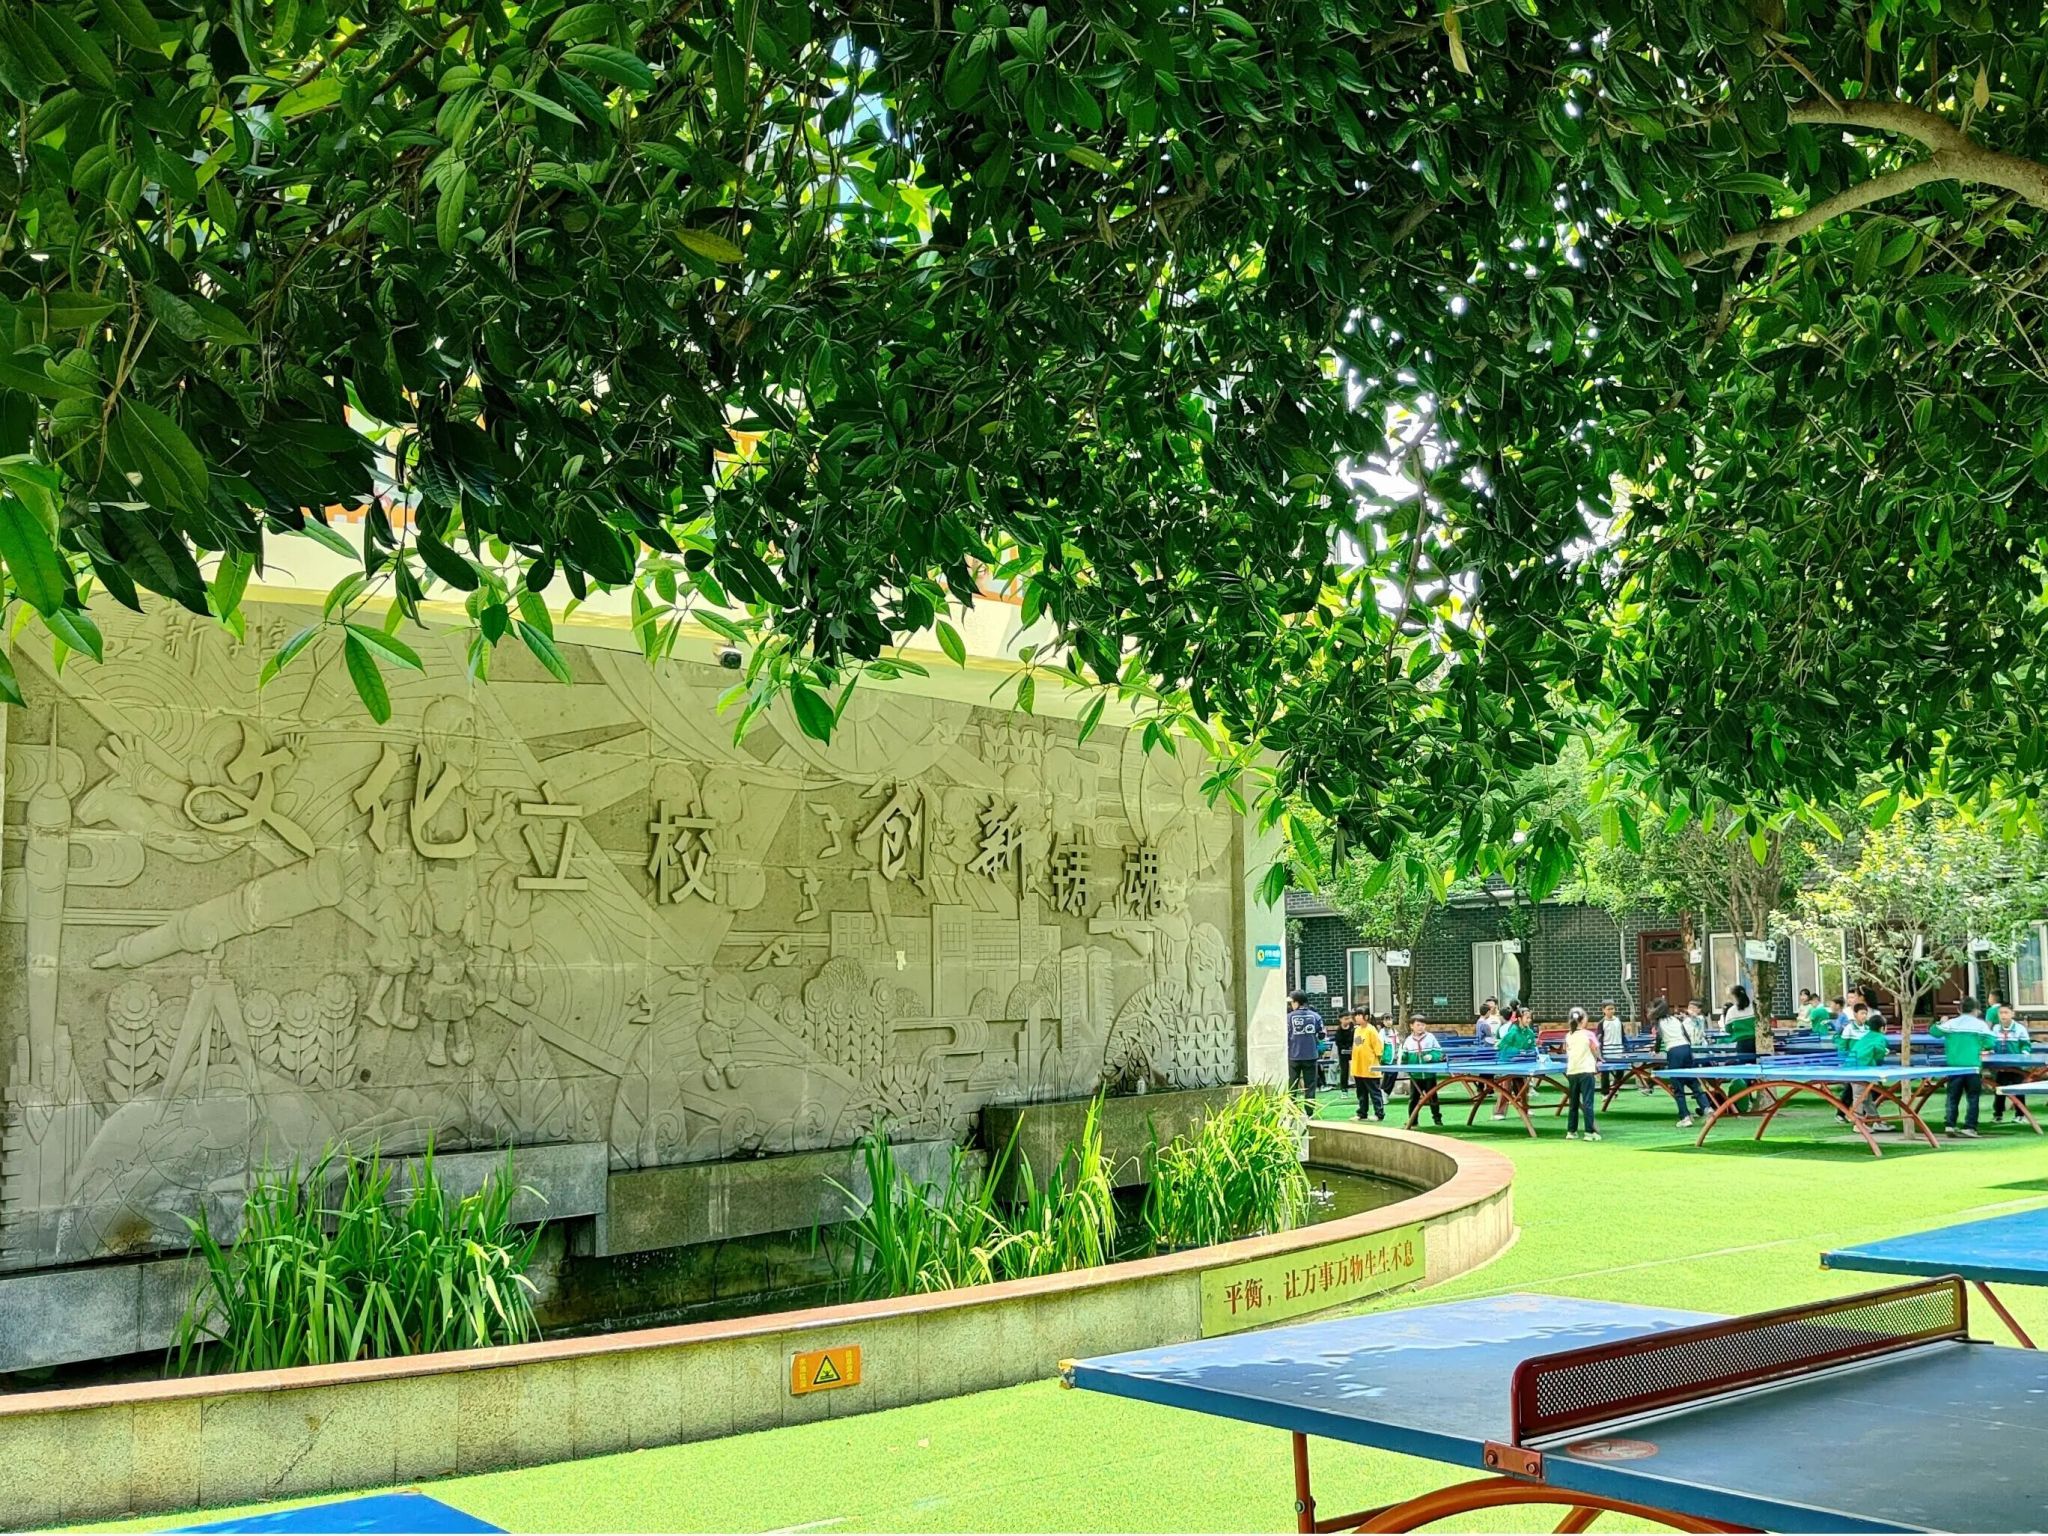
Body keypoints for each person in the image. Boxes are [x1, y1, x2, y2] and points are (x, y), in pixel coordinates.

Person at [1931, 996, 1996, 1138]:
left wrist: (1940, 1022)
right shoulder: (1980, 1025)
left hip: (1954, 1067)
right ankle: (1970, 1127)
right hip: (1972, 1067)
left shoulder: (1951, 1023)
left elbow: (1934, 1032)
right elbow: (1991, 1042)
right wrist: (1981, 1046)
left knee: (1952, 1097)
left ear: (1959, 1009)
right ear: (1976, 1010)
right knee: (1973, 1097)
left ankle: (1950, 1124)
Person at [1657, 999, 1712, 1127]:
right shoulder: (1676, 1020)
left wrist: (1655, 1051)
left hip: (1674, 1051)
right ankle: (1707, 1108)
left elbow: (1659, 1039)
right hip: (1686, 1048)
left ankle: (1685, 1117)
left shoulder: (1659, 1022)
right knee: (1693, 1081)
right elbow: (1686, 1035)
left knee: (1678, 1086)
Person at [1398, 1016, 1446, 1128]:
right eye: (1418, 1025)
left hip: (1429, 1074)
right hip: (1415, 1076)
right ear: (1411, 1026)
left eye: (1423, 1025)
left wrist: (1431, 1056)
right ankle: (1413, 1121)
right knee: (1413, 1099)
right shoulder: (1408, 1040)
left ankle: (1437, 1120)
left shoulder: (1430, 1037)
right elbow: (1404, 1057)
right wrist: (1402, 1059)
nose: (1421, 1027)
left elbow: (1439, 1053)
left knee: (1433, 1098)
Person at [1991, 994, 2032, 1123]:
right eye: (2001, 1013)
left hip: (2016, 1066)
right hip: (2001, 1066)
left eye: (2006, 1012)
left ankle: (2020, 1115)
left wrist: (2024, 1053)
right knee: (1999, 1090)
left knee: (2019, 1090)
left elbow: (2026, 1045)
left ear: (2012, 1014)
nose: (2003, 1015)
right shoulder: (1996, 1028)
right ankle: (1998, 1114)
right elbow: (1992, 1044)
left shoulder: (2020, 1029)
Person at [1563, 1007, 1601, 1141]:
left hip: (1572, 1071)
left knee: (1573, 1103)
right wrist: (1597, 1060)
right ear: (1583, 1020)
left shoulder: (1568, 1035)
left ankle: (1571, 1131)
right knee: (1588, 1102)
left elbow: (1567, 1050)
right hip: (1586, 1070)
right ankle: (1589, 1132)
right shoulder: (1588, 1034)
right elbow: (1595, 1050)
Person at [1285, 993, 1323, 1107]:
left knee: (1292, 1086)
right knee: (1310, 1086)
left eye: (1292, 1002)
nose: (1291, 1005)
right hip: (1311, 1055)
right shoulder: (1316, 1016)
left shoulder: (1288, 1017)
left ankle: (1292, 1110)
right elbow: (1322, 1035)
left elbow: (1284, 1035)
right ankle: (1309, 1111)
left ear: (1296, 1002)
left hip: (1293, 1056)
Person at [1351, 1012, 1386, 1122]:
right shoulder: (1357, 1030)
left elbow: (1378, 1048)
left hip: (1370, 1067)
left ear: (1366, 1017)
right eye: (1356, 1015)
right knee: (1361, 1093)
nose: (1357, 1017)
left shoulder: (1371, 1030)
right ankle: (1362, 1113)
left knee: (1374, 1092)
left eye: (1359, 1015)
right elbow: (1358, 1045)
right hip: (1358, 1067)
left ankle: (1379, 1113)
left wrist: (1378, 1063)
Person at [1720, 983, 1759, 1062]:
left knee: (1744, 1065)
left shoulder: (1731, 1011)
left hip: (1741, 1042)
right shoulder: (1754, 1007)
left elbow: (1728, 1029)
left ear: (1734, 997)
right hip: (1756, 1040)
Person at [1598, 1001, 1627, 1095]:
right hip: (1606, 1052)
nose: (1611, 1011)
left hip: (1619, 1051)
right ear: (1603, 1010)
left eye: (1612, 1009)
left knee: (1620, 1071)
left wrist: (1625, 1048)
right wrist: (1599, 1054)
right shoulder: (1601, 1023)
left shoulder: (1618, 1021)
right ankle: (1605, 1093)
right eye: (1608, 1009)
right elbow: (1599, 1039)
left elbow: (1623, 1035)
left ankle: (1614, 1087)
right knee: (1605, 1073)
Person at [1333, 1009, 1357, 1091]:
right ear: (1341, 1020)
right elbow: (1338, 1043)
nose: (1348, 1020)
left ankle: (1356, 1083)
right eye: (1346, 1019)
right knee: (1344, 1069)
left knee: (1355, 1067)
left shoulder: (1354, 1028)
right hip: (1342, 1052)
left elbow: (1356, 1039)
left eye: (1349, 1018)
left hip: (1354, 1050)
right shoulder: (1339, 1030)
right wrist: (1344, 1048)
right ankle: (1344, 1087)